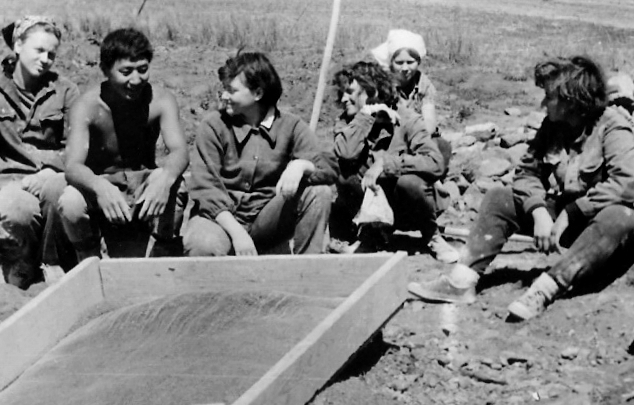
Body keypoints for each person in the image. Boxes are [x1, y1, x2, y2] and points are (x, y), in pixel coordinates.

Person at [408, 55, 634, 321]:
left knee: (616, 215)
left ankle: (545, 289)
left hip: (626, 226)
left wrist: (571, 212)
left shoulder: (613, 127)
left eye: (550, 97)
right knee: (500, 198)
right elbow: (527, 173)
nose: (543, 103)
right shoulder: (553, 126)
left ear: (572, 101)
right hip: (578, 220)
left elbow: (625, 185)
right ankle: (461, 281)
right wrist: (538, 210)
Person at [185, 51, 335, 256]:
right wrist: (238, 234)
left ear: (257, 93)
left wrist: (301, 165)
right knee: (203, 243)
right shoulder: (213, 125)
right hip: (219, 220)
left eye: (232, 90)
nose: (224, 96)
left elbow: (329, 167)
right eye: (224, 89)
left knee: (319, 192)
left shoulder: (291, 126)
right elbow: (206, 187)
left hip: (267, 220)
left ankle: (305, 270)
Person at [58, 28, 189, 260]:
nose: (136, 80)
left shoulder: (161, 100)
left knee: (176, 185)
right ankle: (89, 260)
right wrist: (99, 186)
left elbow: (180, 150)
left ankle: (159, 257)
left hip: (142, 184)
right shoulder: (86, 106)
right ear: (105, 70)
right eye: (126, 72)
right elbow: (73, 166)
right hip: (102, 184)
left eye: (143, 69)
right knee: (71, 201)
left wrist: (165, 178)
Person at [0, 16, 80, 289]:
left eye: (51, 54)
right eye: (39, 50)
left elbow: (77, 145)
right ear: (18, 46)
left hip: (53, 173)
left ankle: (52, 260)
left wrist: (52, 170)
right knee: (19, 210)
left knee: (59, 191)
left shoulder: (66, 90)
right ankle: (27, 256)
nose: (45, 59)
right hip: (10, 177)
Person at [330, 60, 459, 263]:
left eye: (350, 92)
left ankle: (432, 235)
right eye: (342, 93)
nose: (344, 98)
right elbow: (345, 153)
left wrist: (386, 164)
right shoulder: (349, 121)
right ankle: (371, 234)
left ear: (371, 92)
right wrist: (365, 117)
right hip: (374, 205)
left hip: (408, 207)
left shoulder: (407, 119)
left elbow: (435, 162)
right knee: (343, 172)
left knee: (409, 182)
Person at [371, 28, 451, 166]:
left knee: (441, 148)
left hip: (418, 136)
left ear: (418, 62)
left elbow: (429, 122)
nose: (405, 68)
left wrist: (415, 140)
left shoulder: (424, 84)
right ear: (391, 63)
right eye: (399, 63)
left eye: (410, 62)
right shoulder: (383, 86)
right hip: (392, 138)